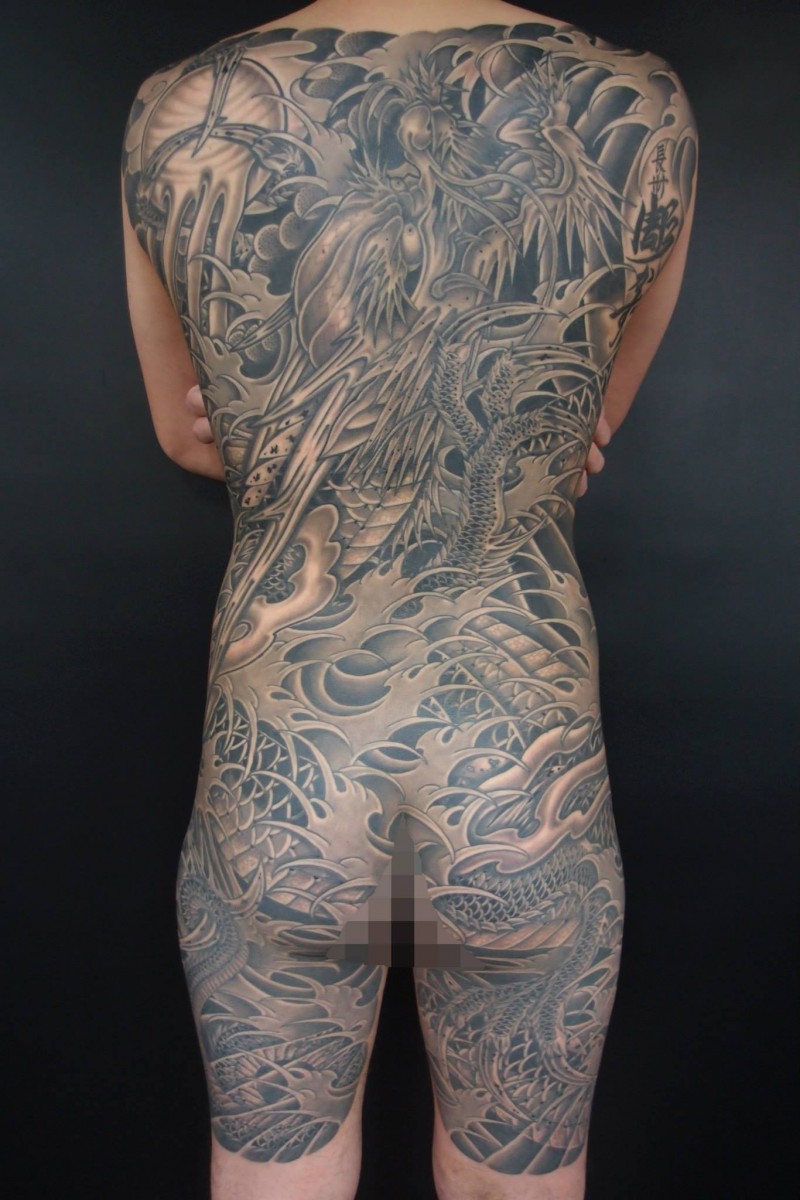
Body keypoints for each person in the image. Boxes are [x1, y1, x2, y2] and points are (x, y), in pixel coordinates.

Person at [121, 2, 697, 1197]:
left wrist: (293, 427)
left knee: (276, 1176)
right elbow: (578, 431)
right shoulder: (645, 109)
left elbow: (185, 433)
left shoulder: (176, 109)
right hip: (513, 773)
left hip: (289, 767)